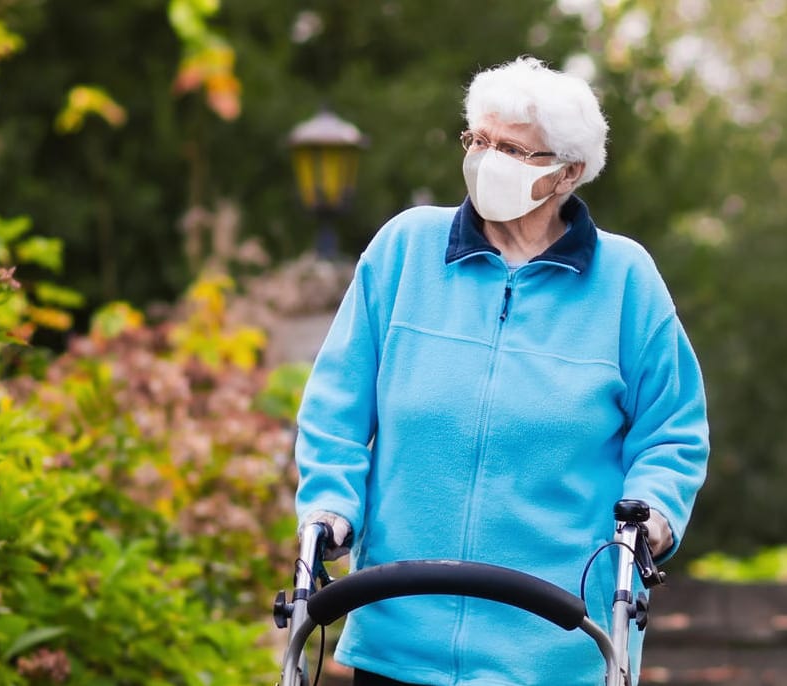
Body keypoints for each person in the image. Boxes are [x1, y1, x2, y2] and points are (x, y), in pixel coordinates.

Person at [293, 56, 710, 686]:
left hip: (554, 646)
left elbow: (673, 430)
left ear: (567, 173)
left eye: (511, 147)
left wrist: (651, 513)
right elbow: (336, 406)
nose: (486, 159)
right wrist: (331, 502)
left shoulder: (626, 282)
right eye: (477, 140)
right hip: (398, 629)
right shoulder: (405, 252)